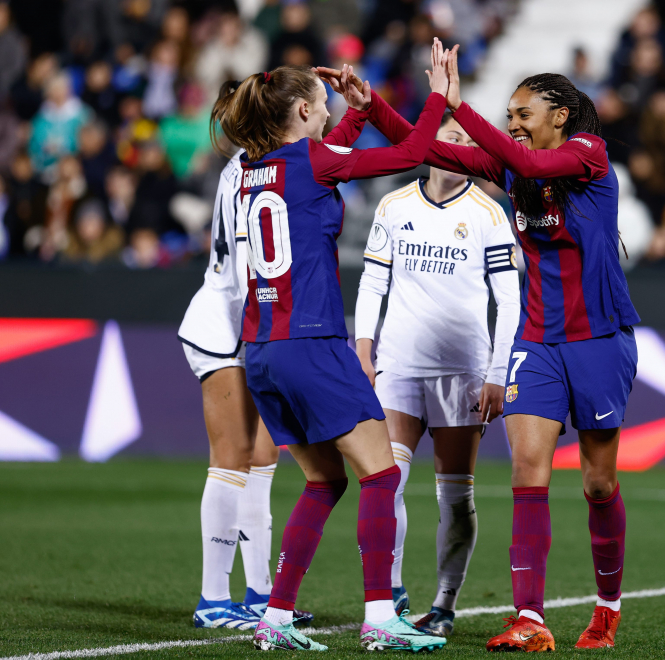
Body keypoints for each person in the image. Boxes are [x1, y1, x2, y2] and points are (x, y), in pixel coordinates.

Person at [332, 45, 640, 651]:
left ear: (561, 115)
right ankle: (530, 617)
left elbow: (522, 158)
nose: (514, 121)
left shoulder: (589, 155)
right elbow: (428, 149)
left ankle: (606, 608)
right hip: (538, 343)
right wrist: (372, 110)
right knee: (529, 473)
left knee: (598, 485)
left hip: (600, 340)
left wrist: (457, 103)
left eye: (523, 111)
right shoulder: (516, 171)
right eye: (509, 113)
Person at [210, 41, 451, 653]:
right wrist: (440, 98)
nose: (326, 112)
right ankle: (380, 617)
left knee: (325, 482)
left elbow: (328, 154)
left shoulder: (254, 172)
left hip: (261, 349)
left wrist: (359, 106)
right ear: (300, 115)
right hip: (310, 340)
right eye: (320, 105)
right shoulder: (315, 162)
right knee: (380, 473)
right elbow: (414, 153)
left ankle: (276, 616)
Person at [351, 102, 521, 637]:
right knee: (387, 482)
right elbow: (373, 282)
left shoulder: (489, 214)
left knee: (455, 495)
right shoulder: (394, 205)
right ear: (429, 144)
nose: (461, 147)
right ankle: (393, 591)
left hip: (462, 372)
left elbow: (509, 299)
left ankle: (445, 602)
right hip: (399, 366)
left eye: (470, 141)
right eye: (451, 136)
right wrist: (363, 346)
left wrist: (496, 371)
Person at [178, 141, 319, 630]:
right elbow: (246, 265)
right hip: (226, 325)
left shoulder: (248, 162)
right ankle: (213, 599)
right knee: (233, 459)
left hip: (245, 324)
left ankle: (260, 592)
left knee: (262, 458)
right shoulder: (254, 169)